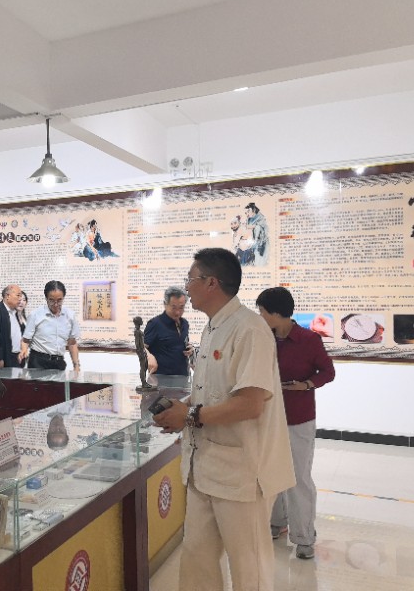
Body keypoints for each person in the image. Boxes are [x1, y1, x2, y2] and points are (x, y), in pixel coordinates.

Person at [152, 248, 294, 590]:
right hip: (205, 468)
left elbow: (250, 404)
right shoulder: (213, 328)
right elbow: (211, 393)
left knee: (249, 565)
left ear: (211, 283)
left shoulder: (249, 329)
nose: (187, 287)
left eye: (191, 279)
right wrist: (181, 407)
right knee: (197, 557)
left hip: (242, 473)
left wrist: (189, 415)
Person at [256, 286, 335, 560]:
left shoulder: (308, 339)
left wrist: (306, 384)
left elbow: (328, 371)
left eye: (262, 312)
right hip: (268, 417)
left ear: (277, 313)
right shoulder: (264, 338)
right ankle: (277, 522)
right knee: (271, 472)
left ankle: (304, 537)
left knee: (298, 477)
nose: (260, 316)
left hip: (299, 418)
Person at [19, 280, 81, 372]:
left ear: (63, 297)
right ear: (46, 298)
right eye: (51, 300)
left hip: (58, 362)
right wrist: (24, 350)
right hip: (38, 362)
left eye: (59, 300)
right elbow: (25, 340)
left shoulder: (70, 316)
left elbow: (72, 343)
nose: (55, 304)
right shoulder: (35, 315)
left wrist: (76, 365)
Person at [143, 286, 192, 376]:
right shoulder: (155, 323)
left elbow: (181, 343)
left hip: (183, 377)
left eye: (181, 307)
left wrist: (190, 349)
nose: (177, 312)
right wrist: (149, 356)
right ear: (165, 304)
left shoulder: (185, 323)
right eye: (173, 307)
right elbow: (141, 347)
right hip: (161, 378)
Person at [0, 284, 25, 368]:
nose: (20, 299)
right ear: (7, 296)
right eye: (18, 295)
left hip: (19, 357)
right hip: (5, 358)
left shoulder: (16, 312)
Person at [243, 202, 269, 266]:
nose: (247, 214)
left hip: (261, 242)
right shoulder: (249, 219)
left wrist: (253, 226)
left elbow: (263, 228)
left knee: (260, 260)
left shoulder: (261, 217)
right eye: (246, 213)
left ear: (254, 210)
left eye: (248, 211)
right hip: (252, 242)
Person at [133, 316, 153, 390]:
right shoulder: (137, 331)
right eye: (141, 320)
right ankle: (143, 383)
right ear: (138, 322)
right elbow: (137, 343)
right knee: (143, 367)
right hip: (141, 351)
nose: (142, 321)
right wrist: (140, 352)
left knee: (145, 366)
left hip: (142, 350)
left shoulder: (138, 330)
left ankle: (144, 382)